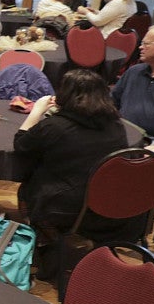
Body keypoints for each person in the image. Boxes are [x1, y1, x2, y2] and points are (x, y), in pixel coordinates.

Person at [14, 68, 133, 280]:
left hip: (65, 207)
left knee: (27, 188)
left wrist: (36, 112)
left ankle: (48, 246)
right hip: (110, 204)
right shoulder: (116, 126)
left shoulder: (54, 126)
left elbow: (21, 145)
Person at [115, 26, 154, 167]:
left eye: (146, 44)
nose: (140, 47)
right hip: (124, 137)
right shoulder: (134, 72)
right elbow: (111, 102)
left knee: (146, 172)